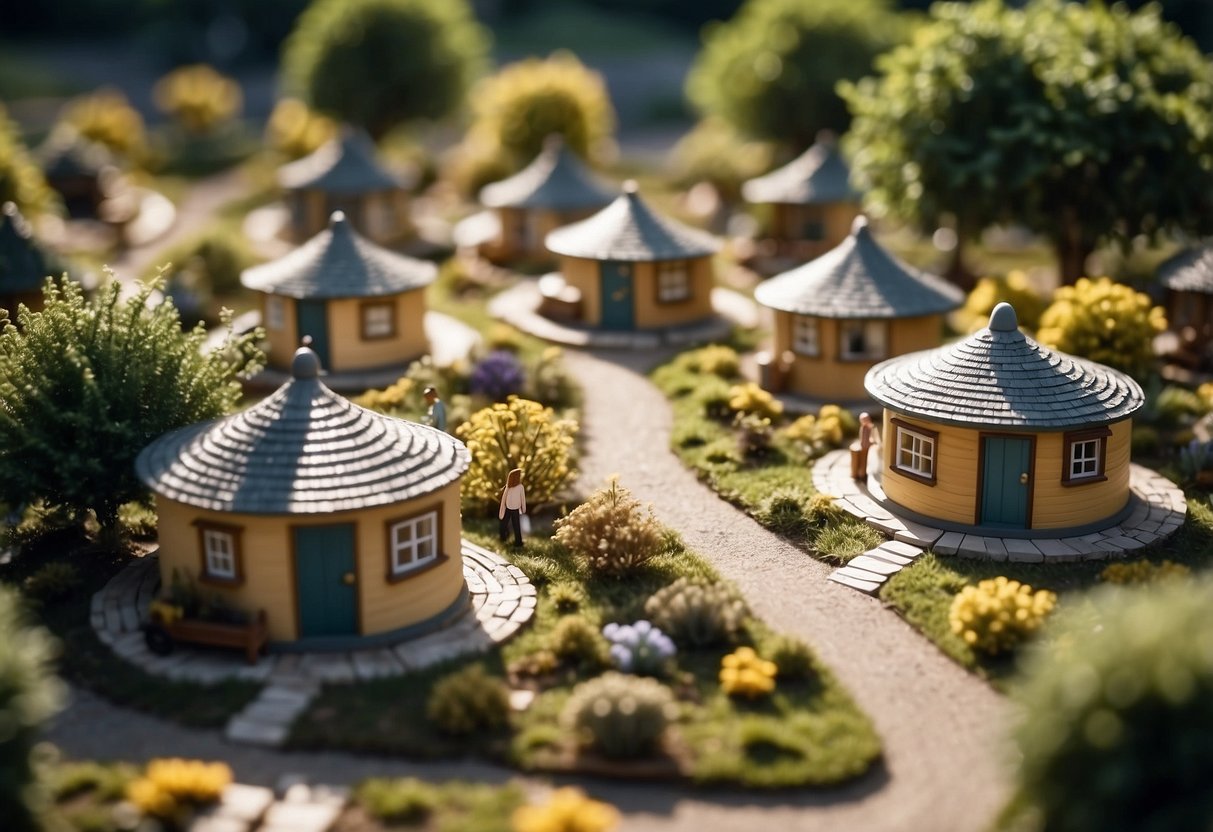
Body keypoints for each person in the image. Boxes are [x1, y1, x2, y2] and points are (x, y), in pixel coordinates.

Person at [498, 468, 526, 546]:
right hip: (512, 509)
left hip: (510, 508)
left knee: (504, 524)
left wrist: (523, 509)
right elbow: (522, 499)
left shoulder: (512, 486)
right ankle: (518, 542)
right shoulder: (515, 487)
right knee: (515, 526)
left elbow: (504, 499)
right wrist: (524, 509)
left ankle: (504, 538)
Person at [851, 411, 876, 482]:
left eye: (867, 419)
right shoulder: (865, 428)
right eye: (864, 419)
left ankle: (862, 473)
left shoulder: (867, 427)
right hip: (864, 446)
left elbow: (867, 438)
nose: (866, 420)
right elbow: (864, 439)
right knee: (863, 460)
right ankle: (862, 474)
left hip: (865, 446)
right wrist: (870, 442)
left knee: (864, 460)